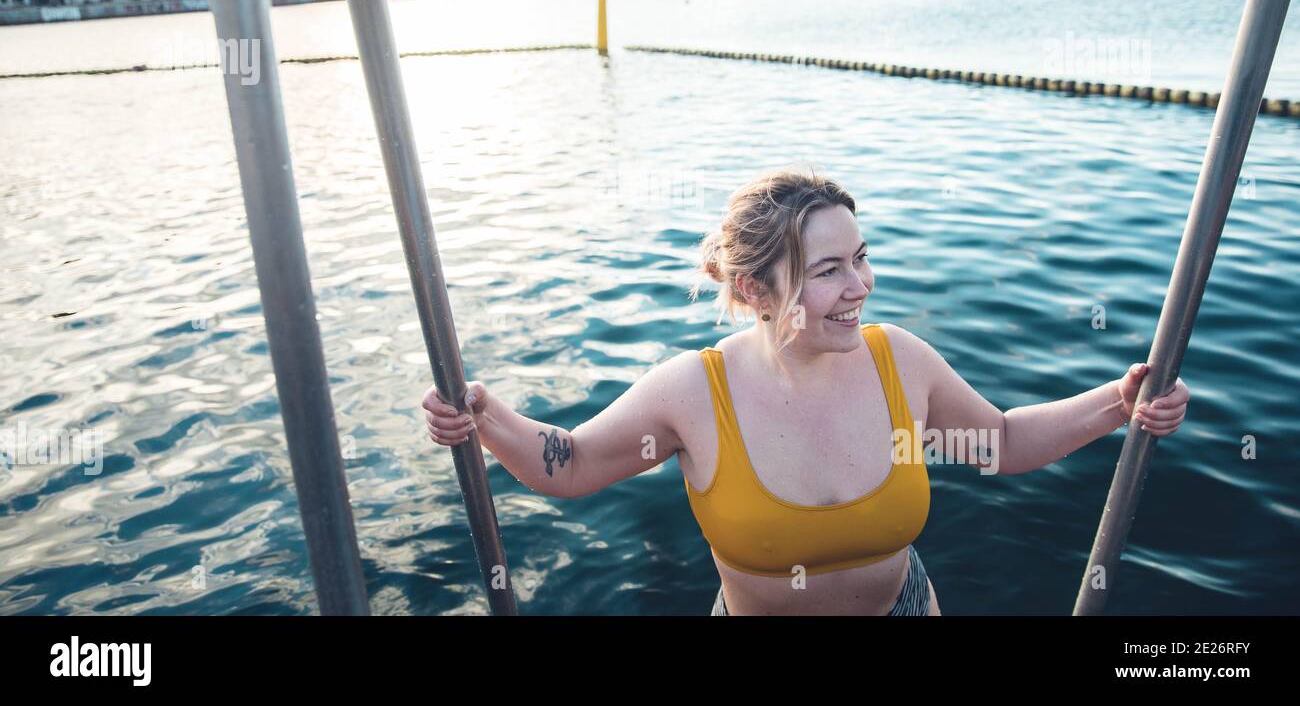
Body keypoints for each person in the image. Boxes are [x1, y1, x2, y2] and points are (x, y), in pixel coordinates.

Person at [422, 166, 1191, 614]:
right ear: (756, 290)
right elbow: (574, 464)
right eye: (828, 272)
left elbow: (1003, 443)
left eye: (861, 257)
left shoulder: (901, 363)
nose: (860, 286)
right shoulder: (697, 390)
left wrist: (1118, 404)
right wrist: (487, 419)